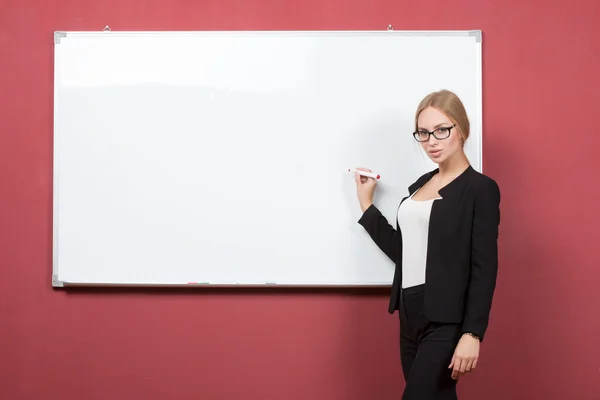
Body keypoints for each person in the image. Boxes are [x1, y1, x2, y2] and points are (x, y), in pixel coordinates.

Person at [354, 89, 501, 400]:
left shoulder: (480, 189)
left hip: (446, 319)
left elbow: (484, 267)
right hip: (410, 313)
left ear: (462, 130)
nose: (432, 141)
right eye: (423, 133)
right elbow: (404, 252)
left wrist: (473, 333)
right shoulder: (420, 185)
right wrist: (368, 208)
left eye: (441, 130)